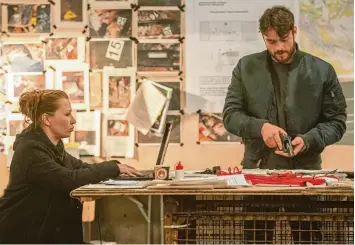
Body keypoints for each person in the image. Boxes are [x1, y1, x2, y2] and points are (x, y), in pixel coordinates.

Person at [223, 6, 347, 244]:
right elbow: (230, 115)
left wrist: (310, 139)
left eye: (283, 39)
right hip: (257, 174)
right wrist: (260, 127)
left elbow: (337, 122)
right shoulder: (245, 67)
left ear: (294, 31)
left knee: (308, 239)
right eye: (271, 41)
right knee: (256, 240)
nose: (278, 47)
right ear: (262, 37)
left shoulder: (322, 71)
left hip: (305, 175)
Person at [0, 89, 142, 244]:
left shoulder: (53, 147)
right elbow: (69, 179)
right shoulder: (30, 151)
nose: (73, 120)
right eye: (67, 114)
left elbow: (80, 167)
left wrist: (116, 167)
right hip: (24, 236)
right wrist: (112, 168)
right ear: (46, 119)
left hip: (48, 234)